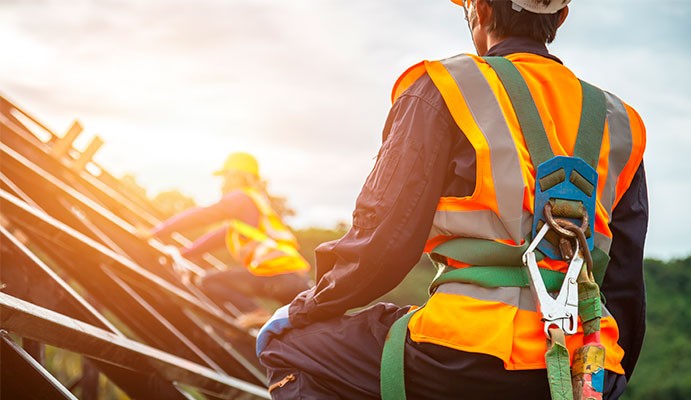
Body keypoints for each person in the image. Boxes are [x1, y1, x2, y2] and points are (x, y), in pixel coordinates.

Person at [256, 0, 648, 399]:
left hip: (466, 354)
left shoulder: (445, 86)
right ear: (561, 17)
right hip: (590, 368)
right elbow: (625, 284)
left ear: (480, 9)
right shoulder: (621, 122)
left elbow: (382, 245)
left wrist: (306, 308)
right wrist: (606, 378)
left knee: (287, 347)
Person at [150, 152, 311, 321]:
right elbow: (213, 240)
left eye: (225, 176)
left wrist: (156, 232)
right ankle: (254, 317)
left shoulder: (240, 198)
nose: (223, 183)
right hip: (296, 281)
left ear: (236, 176)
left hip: (278, 276)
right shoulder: (254, 208)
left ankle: (255, 312)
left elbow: (201, 215)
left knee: (209, 281)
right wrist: (181, 254)